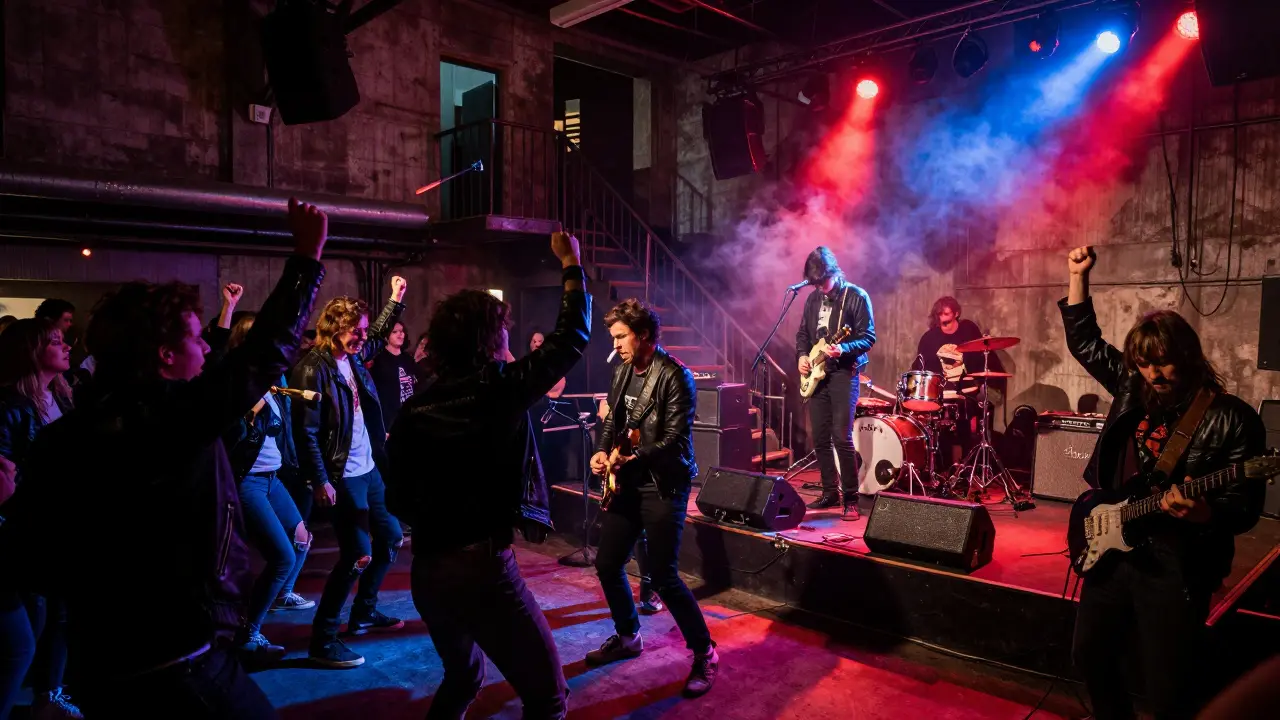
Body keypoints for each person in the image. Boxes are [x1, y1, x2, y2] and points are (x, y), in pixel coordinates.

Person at [0, 198, 329, 719]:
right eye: (198, 338)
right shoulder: (170, 421)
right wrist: (308, 258)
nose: (207, 350)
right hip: (179, 660)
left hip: (100, 664)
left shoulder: (63, 436)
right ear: (165, 354)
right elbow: (263, 353)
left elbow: (34, 563)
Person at [386, 231, 587, 719]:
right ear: (489, 339)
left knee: (464, 676)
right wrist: (571, 265)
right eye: (503, 331)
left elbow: (397, 499)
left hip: (429, 569)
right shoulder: (498, 388)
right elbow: (570, 340)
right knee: (549, 697)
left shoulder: (417, 407)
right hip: (482, 567)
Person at [1061, 246, 1267, 720]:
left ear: (1188, 357)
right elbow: (1085, 342)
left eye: (1163, 364)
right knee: (1089, 657)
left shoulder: (1230, 419)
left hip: (1178, 564)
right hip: (1113, 549)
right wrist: (1077, 278)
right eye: (1144, 364)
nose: (1154, 375)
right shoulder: (1133, 382)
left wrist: (1204, 513)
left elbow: (1245, 506)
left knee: (1168, 685)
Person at [587, 299, 718, 698]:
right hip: (626, 482)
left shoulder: (676, 376)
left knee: (664, 577)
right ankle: (628, 636)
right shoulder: (623, 371)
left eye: (621, 336)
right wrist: (602, 450)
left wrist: (629, 457)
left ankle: (705, 652)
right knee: (608, 563)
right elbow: (613, 420)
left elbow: (674, 437)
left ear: (643, 336)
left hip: (663, 484)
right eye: (614, 337)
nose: (616, 345)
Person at [292, 278, 408, 668]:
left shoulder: (354, 355)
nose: (362, 337)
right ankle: (323, 639)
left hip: (370, 468)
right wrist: (320, 478)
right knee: (357, 555)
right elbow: (306, 433)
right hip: (343, 475)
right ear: (332, 329)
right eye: (353, 330)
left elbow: (375, 335)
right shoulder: (313, 369)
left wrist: (395, 299)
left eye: (361, 330)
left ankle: (363, 613)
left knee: (391, 537)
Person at [222, 313, 315, 667]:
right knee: (283, 556)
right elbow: (234, 438)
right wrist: (251, 410)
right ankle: (247, 635)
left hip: (272, 478)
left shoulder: (273, 380)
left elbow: (282, 434)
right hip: (248, 482)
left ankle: (281, 594)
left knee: (303, 539)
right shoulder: (238, 386)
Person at [0, 319, 80, 719]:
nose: (67, 348)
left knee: (61, 611)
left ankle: (49, 693)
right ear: (32, 351)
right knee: (33, 618)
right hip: (29, 525)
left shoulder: (62, 398)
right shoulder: (11, 406)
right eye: (56, 342)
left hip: (60, 520)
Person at [794, 246, 876, 516]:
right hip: (817, 375)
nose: (820, 288)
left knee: (841, 437)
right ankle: (829, 492)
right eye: (815, 284)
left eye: (823, 282)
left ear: (834, 272)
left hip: (843, 373)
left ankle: (850, 499)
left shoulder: (857, 296)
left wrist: (844, 349)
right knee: (819, 438)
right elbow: (803, 334)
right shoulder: (812, 299)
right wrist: (802, 356)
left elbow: (869, 337)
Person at [915, 296, 985, 467]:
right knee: (940, 427)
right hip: (941, 390)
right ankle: (942, 466)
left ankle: (967, 466)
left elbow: (979, 359)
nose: (943, 318)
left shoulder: (968, 330)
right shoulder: (929, 338)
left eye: (946, 313)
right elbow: (920, 365)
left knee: (963, 425)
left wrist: (979, 381)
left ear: (956, 313)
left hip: (967, 388)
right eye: (940, 314)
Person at [368, 320, 418, 430]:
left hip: (408, 415)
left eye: (402, 331)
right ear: (386, 336)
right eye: (395, 332)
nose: (400, 334)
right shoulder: (378, 359)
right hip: (388, 418)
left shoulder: (408, 359)